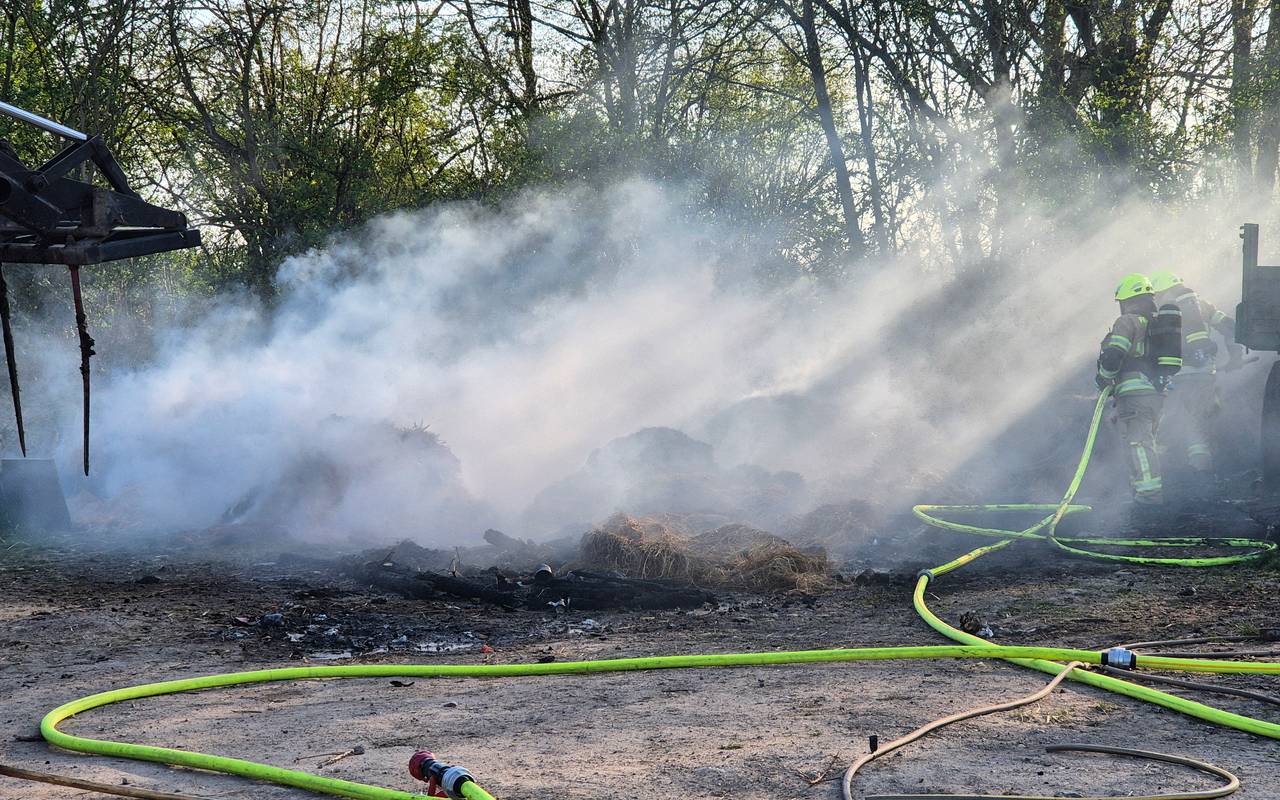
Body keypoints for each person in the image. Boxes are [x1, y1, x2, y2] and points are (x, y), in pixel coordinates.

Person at [1149, 271, 1243, 483]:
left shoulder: (1166, 310)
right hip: (1204, 376)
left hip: (1176, 378)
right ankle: (1202, 469)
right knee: (1199, 421)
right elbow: (1231, 328)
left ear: (1164, 291)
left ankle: (1162, 469)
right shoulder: (1203, 304)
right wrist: (1235, 357)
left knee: (1167, 420)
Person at [1096, 273, 1166, 506]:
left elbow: (1115, 354)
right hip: (1154, 393)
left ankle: (1149, 497)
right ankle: (1141, 493)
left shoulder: (1128, 321)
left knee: (1138, 445)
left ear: (1127, 300)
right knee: (1145, 442)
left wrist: (1104, 378)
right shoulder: (1153, 324)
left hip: (1134, 394)